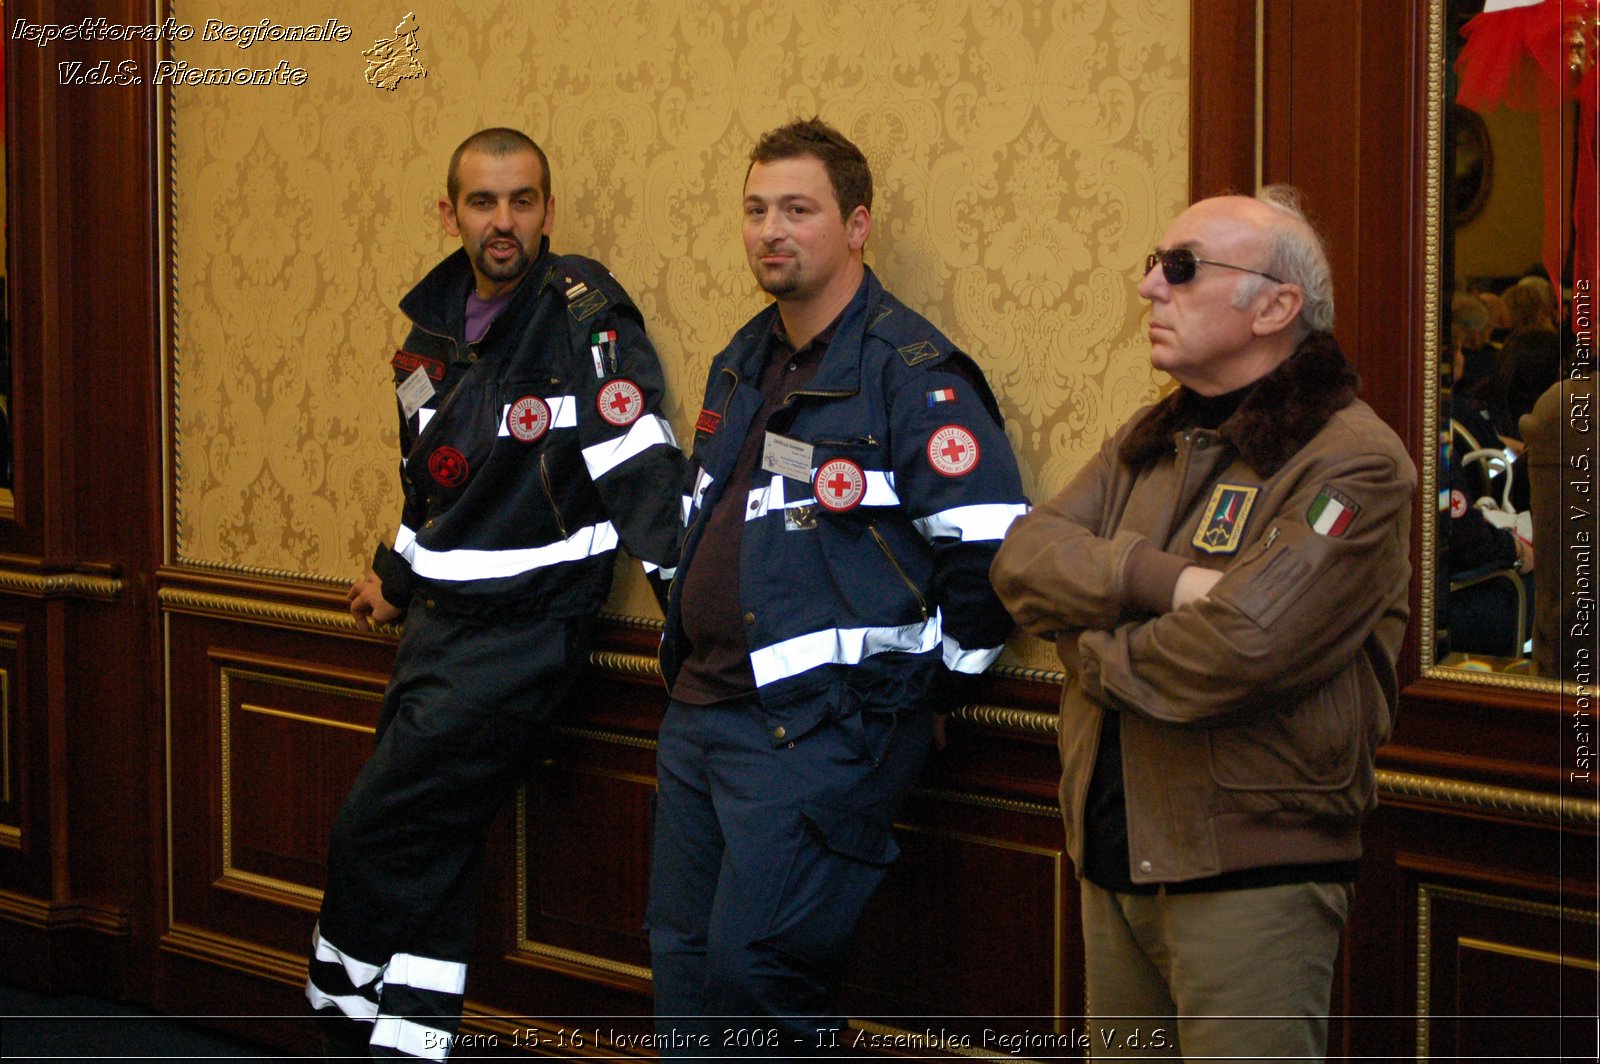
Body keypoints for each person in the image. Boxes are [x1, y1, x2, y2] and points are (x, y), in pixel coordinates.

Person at [991, 187, 1414, 1060]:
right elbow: (1022, 560)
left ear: (1276, 306)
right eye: (1153, 263)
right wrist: (1162, 578)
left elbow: (1242, 646)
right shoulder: (1154, 437)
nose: (1149, 286)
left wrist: (1085, 648)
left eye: (1181, 269)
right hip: (1113, 855)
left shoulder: (1353, 462)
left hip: (1250, 877)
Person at [647, 117, 1028, 1055]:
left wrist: (929, 692)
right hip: (699, 715)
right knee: (686, 976)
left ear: (857, 225)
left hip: (820, 730)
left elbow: (988, 554)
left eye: (799, 210)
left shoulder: (913, 375)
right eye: (756, 210)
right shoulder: (743, 359)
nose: (772, 230)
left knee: (758, 975)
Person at [305, 128, 686, 1060]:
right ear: (452, 213)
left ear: (547, 212)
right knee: (434, 845)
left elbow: (642, 473)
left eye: (522, 201)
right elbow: (429, 481)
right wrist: (395, 578)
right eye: (483, 202)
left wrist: (702, 620)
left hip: (525, 633)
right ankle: (408, 1045)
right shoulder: (429, 325)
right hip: (436, 626)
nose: (503, 221)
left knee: (372, 834)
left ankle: (333, 1024)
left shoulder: (583, 314)